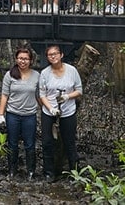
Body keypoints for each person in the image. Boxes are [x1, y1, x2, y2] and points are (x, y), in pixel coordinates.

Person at [39, 44, 83, 182]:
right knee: (47, 142)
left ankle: (74, 173)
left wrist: (67, 96)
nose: (53, 56)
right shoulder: (45, 73)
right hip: (49, 112)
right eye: (50, 55)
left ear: (61, 55)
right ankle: (49, 173)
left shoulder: (72, 71)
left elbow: (79, 90)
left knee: (69, 142)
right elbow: (42, 94)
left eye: (55, 54)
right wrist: (50, 108)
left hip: (68, 112)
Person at [0, 47, 39, 180]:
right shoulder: (10, 75)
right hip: (13, 114)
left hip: (29, 115)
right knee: (12, 143)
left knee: (30, 144)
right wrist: (0, 114)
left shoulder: (37, 76)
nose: (23, 61)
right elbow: (4, 95)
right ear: (16, 59)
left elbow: (40, 95)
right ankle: (12, 170)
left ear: (31, 60)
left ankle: (31, 171)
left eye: (26, 59)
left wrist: (46, 109)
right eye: (21, 58)